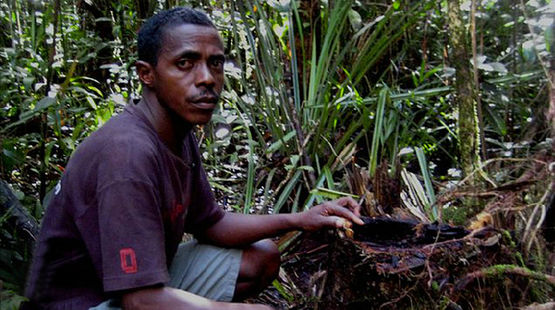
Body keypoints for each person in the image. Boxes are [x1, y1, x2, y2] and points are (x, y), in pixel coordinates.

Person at [23, 7, 363, 310]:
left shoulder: (176, 132)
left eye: (215, 63)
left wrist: (300, 218)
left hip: (134, 288)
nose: (206, 78)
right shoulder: (128, 154)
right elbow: (139, 299)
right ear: (147, 73)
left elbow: (211, 224)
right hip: (87, 301)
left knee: (260, 257)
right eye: (185, 63)